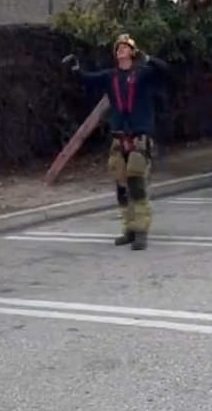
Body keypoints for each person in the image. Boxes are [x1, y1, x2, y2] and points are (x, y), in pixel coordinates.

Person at [68, 34, 168, 250]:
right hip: (119, 137)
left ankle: (141, 230)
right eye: (118, 47)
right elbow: (87, 79)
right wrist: (75, 69)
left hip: (139, 137)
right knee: (122, 187)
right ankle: (129, 229)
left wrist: (147, 57)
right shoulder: (110, 76)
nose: (120, 50)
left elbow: (164, 70)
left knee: (136, 182)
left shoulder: (143, 74)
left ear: (132, 52)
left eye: (125, 47)